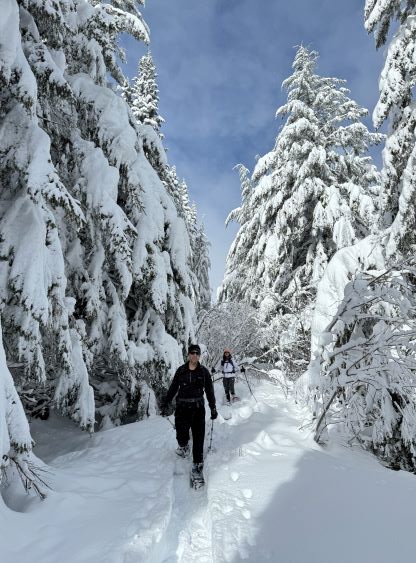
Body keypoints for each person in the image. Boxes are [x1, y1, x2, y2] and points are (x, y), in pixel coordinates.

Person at [161, 344, 217, 482]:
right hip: (182, 408)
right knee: (181, 436)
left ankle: (197, 465)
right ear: (188, 354)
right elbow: (173, 387)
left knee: (198, 437)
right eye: (192, 353)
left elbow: (209, 391)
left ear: (199, 356)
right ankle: (184, 446)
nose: (194, 355)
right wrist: (166, 403)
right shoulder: (181, 370)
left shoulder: (204, 372)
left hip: (198, 408)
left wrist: (213, 407)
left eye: (197, 353)